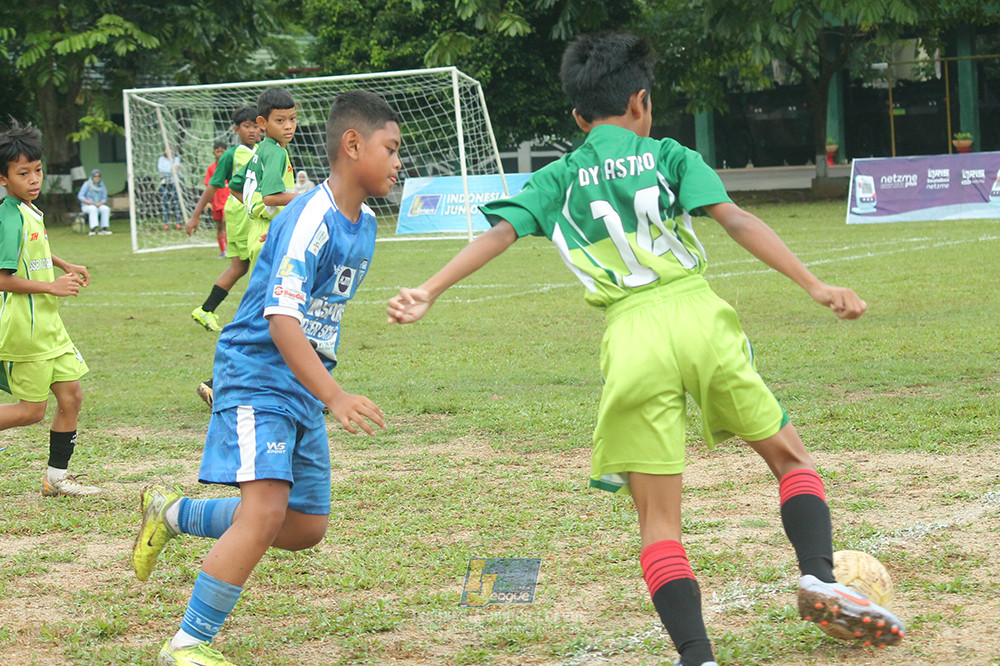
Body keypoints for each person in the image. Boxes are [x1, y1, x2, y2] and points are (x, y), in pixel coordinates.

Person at [386, 33, 905, 665]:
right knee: (790, 459)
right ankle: (819, 577)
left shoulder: (557, 176)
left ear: (579, 117)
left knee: (659, 523)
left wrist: (429, 289)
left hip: (631, 337)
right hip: (698, 317)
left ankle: (697, 656)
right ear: (641, 102)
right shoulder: (669, 155)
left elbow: (498, 234)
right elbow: (737, 219)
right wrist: (817, 286)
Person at [132, 90, 400, 666]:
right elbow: (281, 320)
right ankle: (186, 646)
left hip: (302, 382)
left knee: (304, 526)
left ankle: (172, 513)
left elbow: (317, 314)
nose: (399, 161)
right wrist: (335, 395)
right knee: (264, 513)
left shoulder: (366, 225)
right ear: (353, 145)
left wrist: (321, 387)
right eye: (391, 148)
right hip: (257, 372)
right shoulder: (309, 217)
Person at [0, 120, 100, 497]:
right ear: (3, 179)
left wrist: (64, 264)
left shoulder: (29, 210)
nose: (34, 179)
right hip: (25, 329)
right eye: (23, 173)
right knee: (31, 412)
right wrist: (52, 287)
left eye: (38, 170)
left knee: (71, 396)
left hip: (49, 325)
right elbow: (2, 278)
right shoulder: (9, 216)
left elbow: (34, 248)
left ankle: (56, 478)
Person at [187, 107, 260, 338]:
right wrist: (196, 215)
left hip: (258, 211)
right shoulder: (231, 155)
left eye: (256, 126)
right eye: (246, 126)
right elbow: (213, 185)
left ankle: (206, 310)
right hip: (241, 213)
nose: (252, 131)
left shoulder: (264, 150)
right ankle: (254, 320)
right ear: (236, 129)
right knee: (257, 263)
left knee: (240, 267)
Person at [228, 87, 298, 270]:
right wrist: (309, 197)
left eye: (292, 118)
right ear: (262, 123)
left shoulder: (263, 150)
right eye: (280, 120)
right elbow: (270, 198)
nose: (288, 126)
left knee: (264, 288)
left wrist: (252, 206)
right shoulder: (276, 153)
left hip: (258, 231)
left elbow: (235, 185)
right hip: (269, 233)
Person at [77, 169, 111, 235]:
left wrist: (100, 203)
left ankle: (104, 229)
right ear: (92, 177)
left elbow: (104, 197)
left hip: (98, 205)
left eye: (98, 176)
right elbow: (80, 196)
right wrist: (87, 202)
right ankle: (93, 229)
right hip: (87, 205)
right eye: (95, 176)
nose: (97, 178)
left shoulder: (101, 185)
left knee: (106, 209)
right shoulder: (87, 184)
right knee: (93, 209)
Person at [158, 149, 182, 230]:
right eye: (166, 150)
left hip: (174, 183)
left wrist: (169, 170)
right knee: (165, 204)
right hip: (164, 183)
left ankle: (178, 223)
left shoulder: (176, 159)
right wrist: (172, 169)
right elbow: (161, 170)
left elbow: (176, 169)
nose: (168, 151)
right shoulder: (161, 159)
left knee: (176, 203)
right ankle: (166, 224)